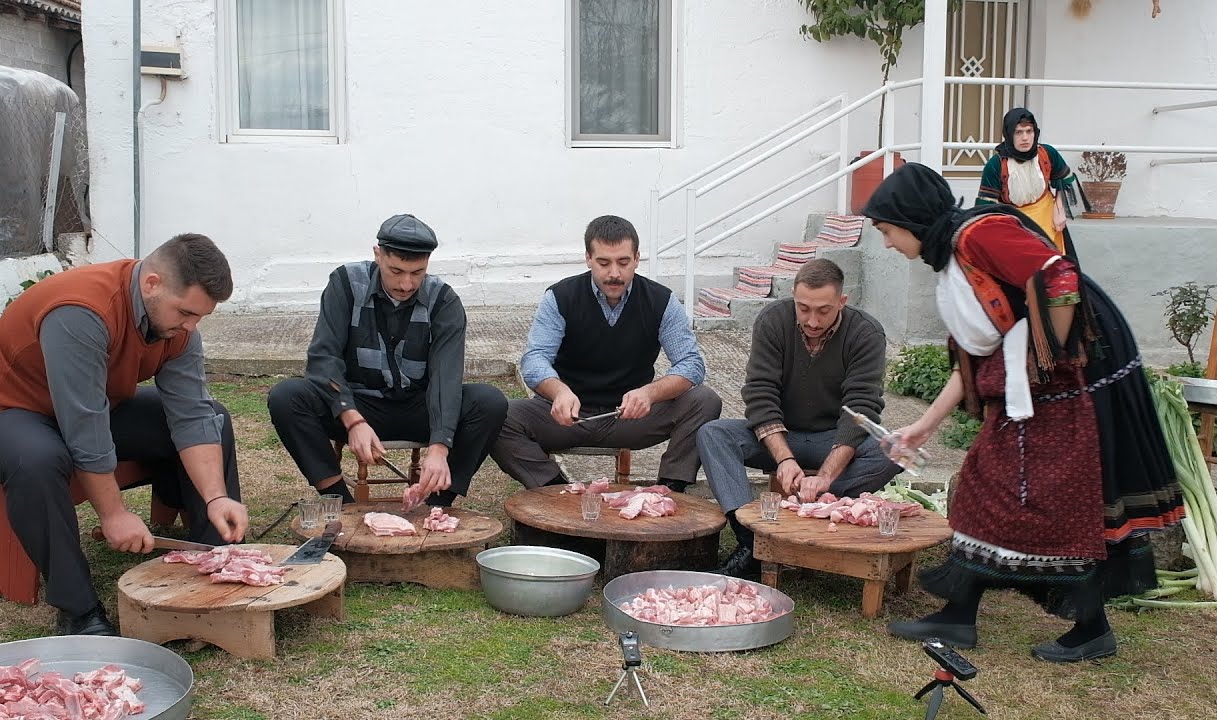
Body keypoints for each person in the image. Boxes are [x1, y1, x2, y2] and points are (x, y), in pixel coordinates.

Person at [863, 163, 1183, 663]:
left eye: (886, 230)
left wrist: (1045, 356)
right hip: (1032, 395)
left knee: (1060, 505)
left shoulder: (980, 235)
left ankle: (1091, 629)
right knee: (978, 488)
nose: (885, 242)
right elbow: (975, 356)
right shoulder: (955, 256)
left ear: (911, 219)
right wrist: (925, 426)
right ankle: (959, 614)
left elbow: (1058, 276)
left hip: (1068, 388)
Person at [0, 233, 248, 636]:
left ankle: (216, 559)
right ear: (152, 283)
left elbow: (191, 414)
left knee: (213, 417)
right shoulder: (80, 310)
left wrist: (217, 496)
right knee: (37, 461)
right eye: (186, 312)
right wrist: (113, 514)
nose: (191, 326)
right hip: (16, 409)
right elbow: (85, 425)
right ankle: (79, 610)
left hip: (98, 405)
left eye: (200, 317)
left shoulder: (178, 325)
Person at [268, 214, 508, 509]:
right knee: (287, 396)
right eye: (396, 271)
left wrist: (440, 446)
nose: (406, 284)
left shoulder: (443, 300)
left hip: (421, 409)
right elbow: (323, 359)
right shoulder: (345, 283)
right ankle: (342, 504)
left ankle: (435, 505)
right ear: (377, 255)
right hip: (359, 406)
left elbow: (446, 377)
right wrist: (352, 419)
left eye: (417, 273)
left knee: (489, 401)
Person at [695, 259, 900, 578]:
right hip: (780, 434)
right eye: (803, 308)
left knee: (894, 448)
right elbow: (760, 394)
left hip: (832, 438)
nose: (813, 320)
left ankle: (818, 512)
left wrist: (827, 475)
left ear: (842, 302)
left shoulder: (865, 332)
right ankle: (750, 538)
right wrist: (785, 459)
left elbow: (860, 408)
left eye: (823, 310)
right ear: (793, 296)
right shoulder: (773, 320)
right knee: (713, 434)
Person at [490, 215, 722, 492]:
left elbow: (691, 364)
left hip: (631, 416)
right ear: (588, 258)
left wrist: (649, 394)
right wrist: (559, 392)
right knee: (496, 413)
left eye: (623, 262)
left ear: (637, 258)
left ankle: (668, 490)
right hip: (567, 415)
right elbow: (535, 358)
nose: (614, 273)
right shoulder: (560, 297)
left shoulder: (661, 300)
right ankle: (555, 490)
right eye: (603, 263)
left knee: (704, 400)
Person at [977, 107, 1081, 257]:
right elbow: (986, 208)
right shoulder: (996, 165)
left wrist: (1059, 211)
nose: (1025, 138)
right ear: (1009, 134)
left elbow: (1063, 182)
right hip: (1014, 224)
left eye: (1029, 131)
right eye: (1018, 132)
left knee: (1054, 271)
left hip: (1047, 221)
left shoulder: (1047, 154)